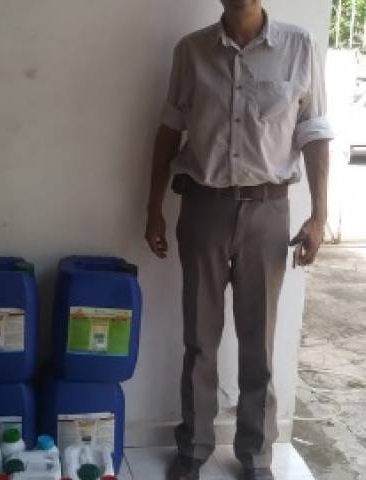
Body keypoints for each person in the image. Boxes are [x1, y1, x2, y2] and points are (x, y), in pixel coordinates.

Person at [144, 1, 333, 479]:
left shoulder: (299, 46)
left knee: (258, 342)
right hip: (203, 209)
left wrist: (319, 215)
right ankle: (193, 447)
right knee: (200, 338)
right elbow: (169, 130)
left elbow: (313, 132)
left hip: (268, 212)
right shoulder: (191, 51)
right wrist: (152, 209)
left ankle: (256, 454)